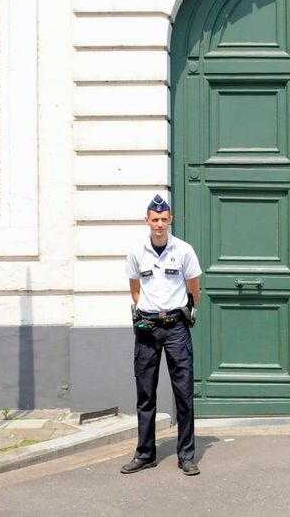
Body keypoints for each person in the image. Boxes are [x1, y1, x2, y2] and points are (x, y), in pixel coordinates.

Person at [121, 194, 203, 476]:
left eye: (164, 219)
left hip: (176, 329)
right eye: (154, 219)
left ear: (171, 221)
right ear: (147, 220)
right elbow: (135, 289)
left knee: (183, 393)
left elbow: (195, 290)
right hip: (148, 328)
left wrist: (184, 313)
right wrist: (146, 311)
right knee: (145, 394)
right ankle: (145, 454)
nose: (159, 224)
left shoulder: (184, 250)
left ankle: (187, 455)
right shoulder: (136, 251)